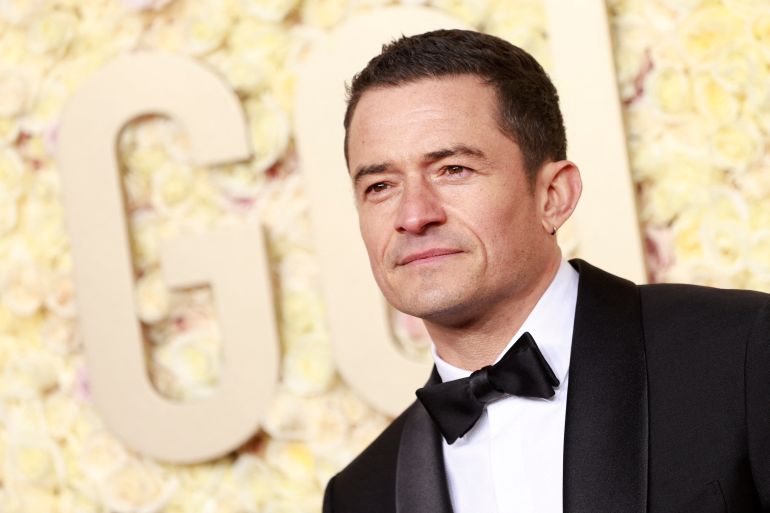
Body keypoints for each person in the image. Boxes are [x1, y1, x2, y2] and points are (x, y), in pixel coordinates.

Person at [322, 29, 770, 513]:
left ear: (553, 196)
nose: (413, 216)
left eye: (453, 169)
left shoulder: (743, 352)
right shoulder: (358, 495)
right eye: (381, 186)